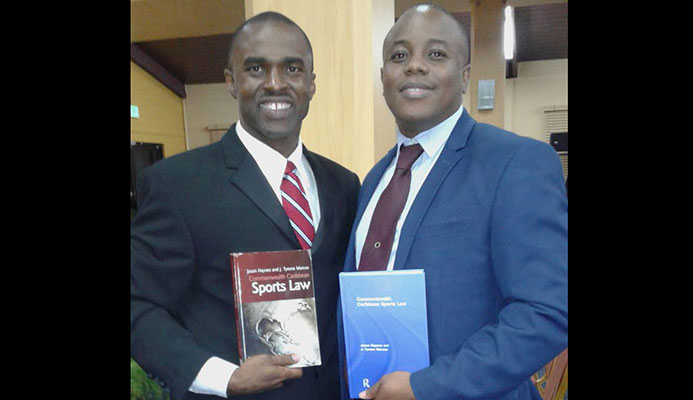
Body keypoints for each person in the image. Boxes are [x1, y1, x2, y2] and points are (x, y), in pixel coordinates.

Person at [337, 4, 567, 400]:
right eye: (399, 55)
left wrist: (424, 388)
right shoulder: (374, 179)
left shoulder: (515, 163)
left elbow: (545, 314)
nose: (415, 67)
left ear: (464, 77)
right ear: (383, 77)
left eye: (436, 54)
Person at [131, 11, 360, 400]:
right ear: (231, 81)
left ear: (310, 83)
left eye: (292, 69)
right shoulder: (177, 184)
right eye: (256, 68)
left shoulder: (343, 184)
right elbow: (139, 306)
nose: (275, 83)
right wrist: (223, 377)